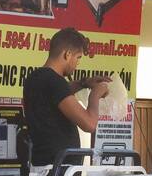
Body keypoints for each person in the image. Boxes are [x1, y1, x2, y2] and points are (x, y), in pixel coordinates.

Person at [22, 27, 110, 168]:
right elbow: (89, 124)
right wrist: (95, 95)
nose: (78, 63)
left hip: (42, 165)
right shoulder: (55, 82)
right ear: (67, 54)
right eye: (78, 57)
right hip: (58, 169)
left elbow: (59, 94)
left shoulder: (34, 78)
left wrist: (84, 83)